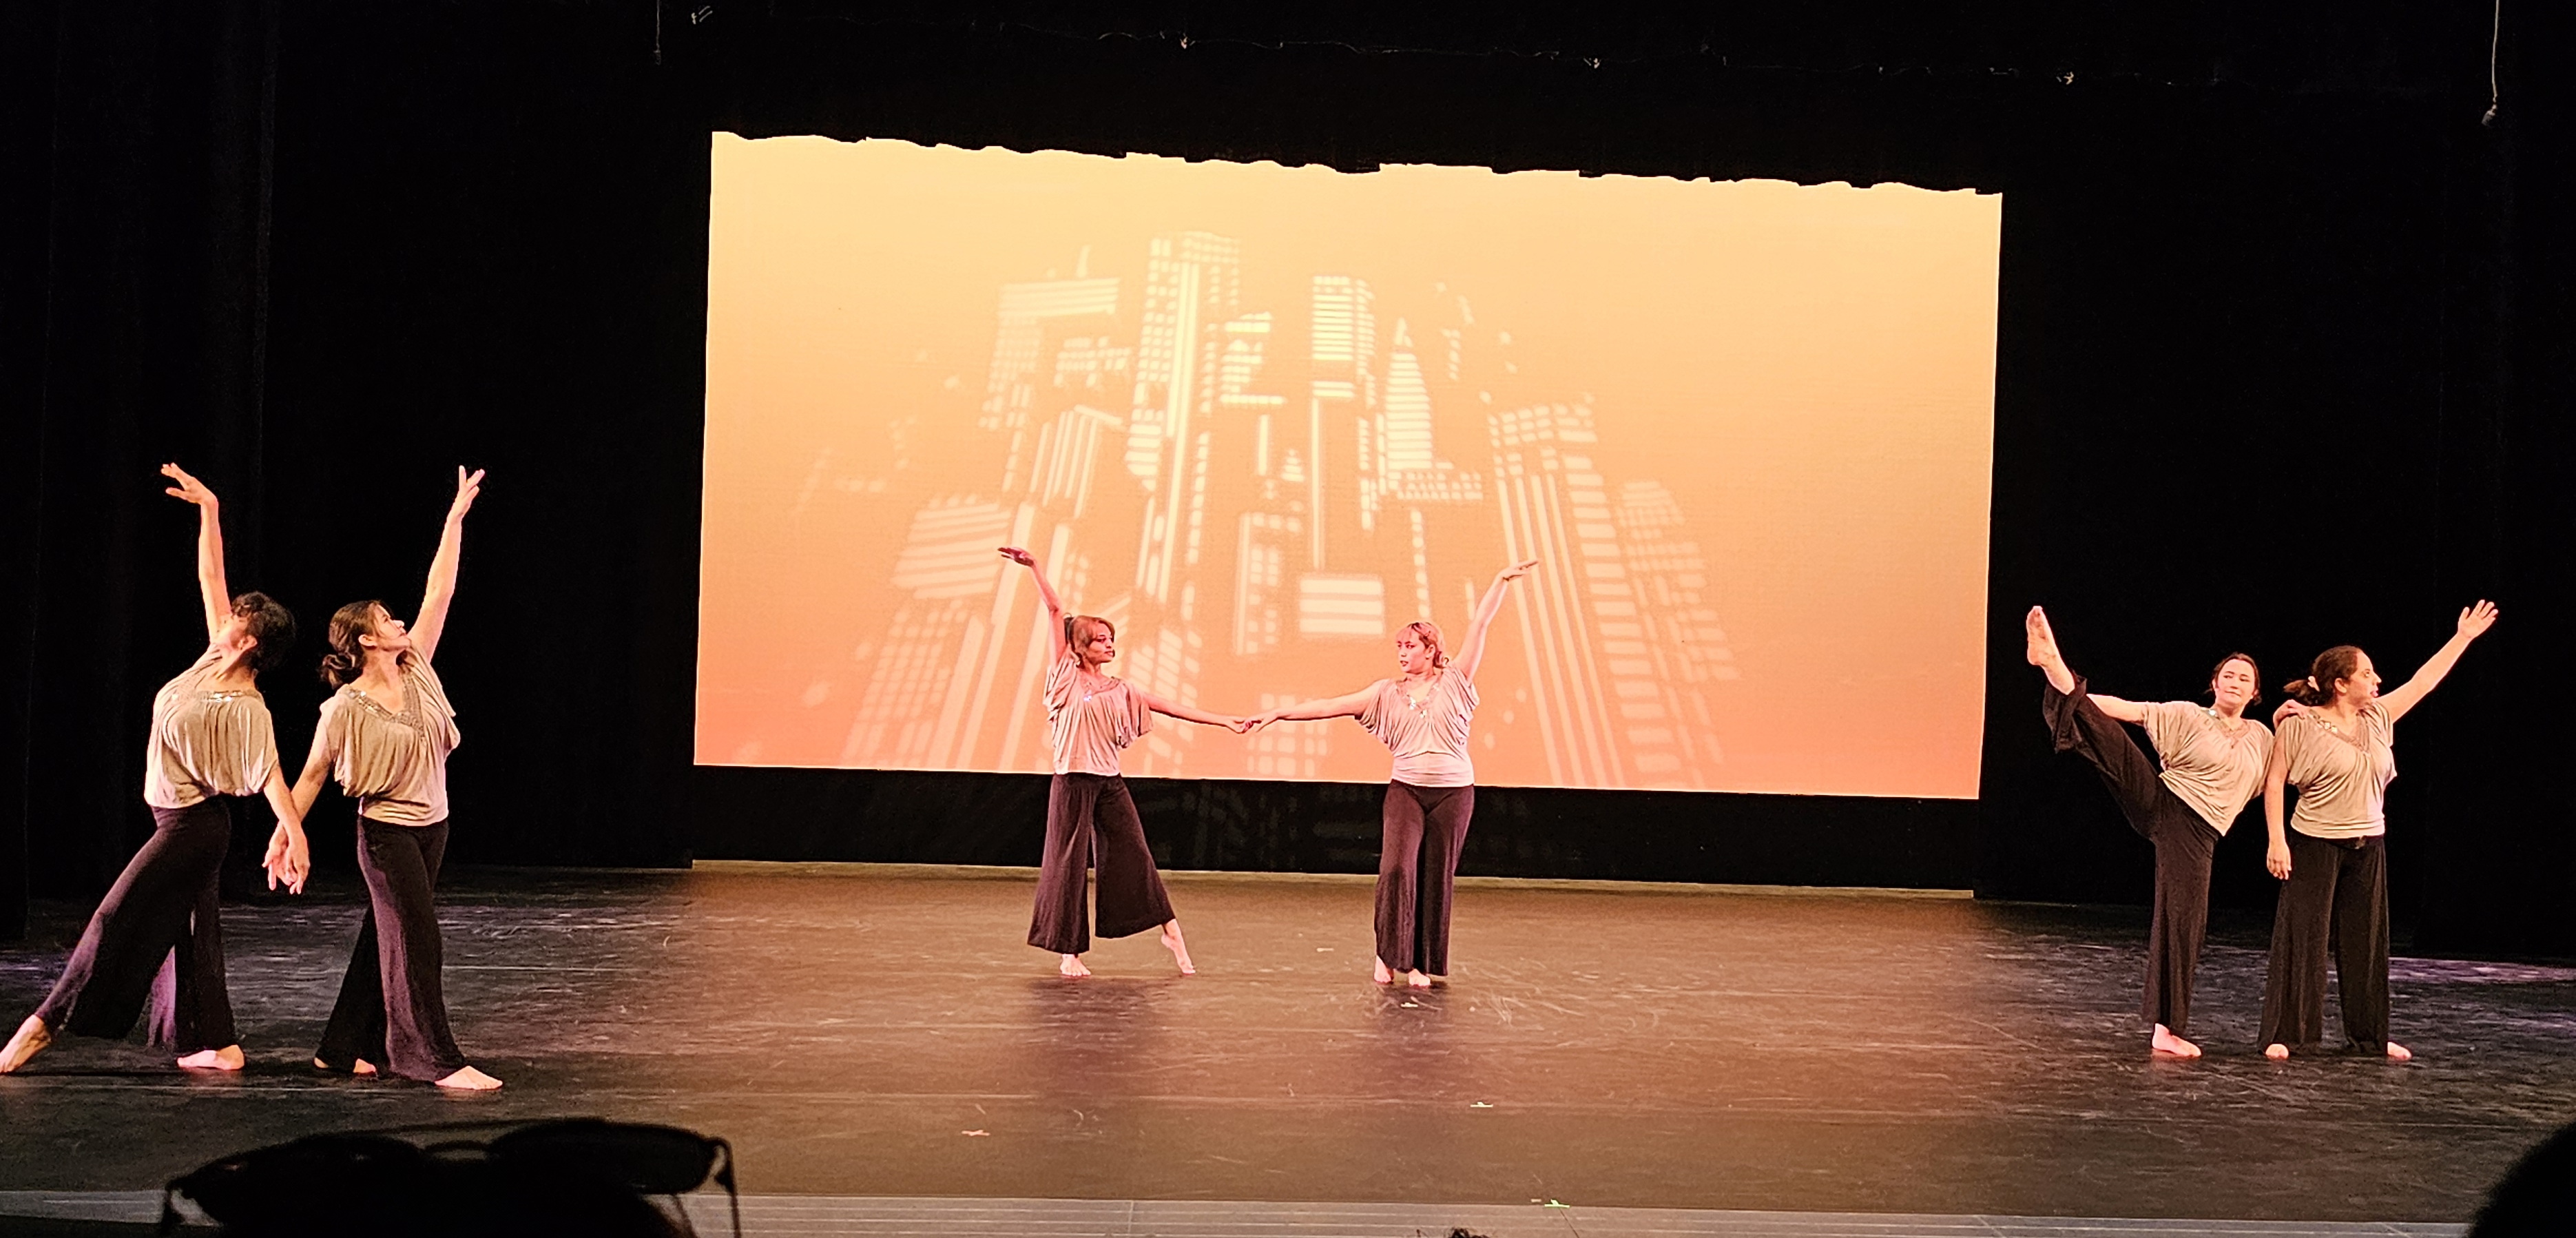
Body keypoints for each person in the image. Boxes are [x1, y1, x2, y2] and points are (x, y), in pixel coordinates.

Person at [1, 464, 309, 1075]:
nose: (224, 618)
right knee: (192, 934)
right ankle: (217, 1042)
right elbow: (210, 575)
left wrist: (294, 832)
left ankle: (41, 1026)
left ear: (249, 642)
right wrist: (211, 509)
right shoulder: (210, 660)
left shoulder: (247, 705)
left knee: (114, 917)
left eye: (235, 619)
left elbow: (271, 775)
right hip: (177, 815)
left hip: (193, 827)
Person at [289, 466, 501, 1089]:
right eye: (386, 618)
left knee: (381, 938)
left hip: (433, 826)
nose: (399, 621)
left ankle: (337, 1048)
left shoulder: (417, 670)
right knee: (417, 938)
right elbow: (311, 777)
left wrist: (453, 521)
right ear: (365, 639)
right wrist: (288, 832)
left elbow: (440, 593)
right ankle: (430, 1058)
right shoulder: (345, 708)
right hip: (386, 835)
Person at [1250, 559, 1537, 988]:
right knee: (1398, 870)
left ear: (1431, 650)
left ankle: (1422, 964)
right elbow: (1329, 705)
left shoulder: (1457, 680)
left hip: (1453, 793)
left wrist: (1499, 581)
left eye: (1411, 647)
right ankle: (1388, 956)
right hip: (1406, 791)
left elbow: (1481, 625)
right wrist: (1277, 712)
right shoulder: (1385, 693)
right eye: (1399, 647)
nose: (1403, 653)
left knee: (1435, 877)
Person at [2022, 607, 2271, 1058]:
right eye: (2228, 675)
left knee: (2184, 920)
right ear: (2215, 683)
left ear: (2255, 692)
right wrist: (2082, 698)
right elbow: (2130, 710)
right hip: (2165, 800)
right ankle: (2055, 667)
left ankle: (2165, 1026)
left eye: (2244, 678)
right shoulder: (2186, 714)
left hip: (2199, 830)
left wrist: (2299, 713)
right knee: (2112, 742)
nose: (2234, 682)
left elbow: (2288, 771)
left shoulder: (2265, 737)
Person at [2258, 600, 2497, 1062]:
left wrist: (2463, 637)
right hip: (2313, 841)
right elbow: (2274, 782)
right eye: (2367, 673)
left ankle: (2368, 1035)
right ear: (2340, 683)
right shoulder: (2298, 723)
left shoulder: (2378, 717)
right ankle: (2291, 1034)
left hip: (2369, 842)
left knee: (2365, 943)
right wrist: (2276, 840)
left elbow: (2423, 682)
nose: (2377, 680)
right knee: (2304, 940)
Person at [999, 546, 1249, 978]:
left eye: (1112, 638)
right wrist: (1035, 567)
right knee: (1068, 862)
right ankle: (1069, 953)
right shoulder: (1063, 677)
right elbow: (1056, 609)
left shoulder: (1121, 688)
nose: (1110, 644)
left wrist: (1224, 721)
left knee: (1134, 853)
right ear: (1081, 646)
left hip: (1109, 784)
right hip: (1073, 782)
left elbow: (1170, 706)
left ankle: (1169, 928)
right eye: (1100, 639)